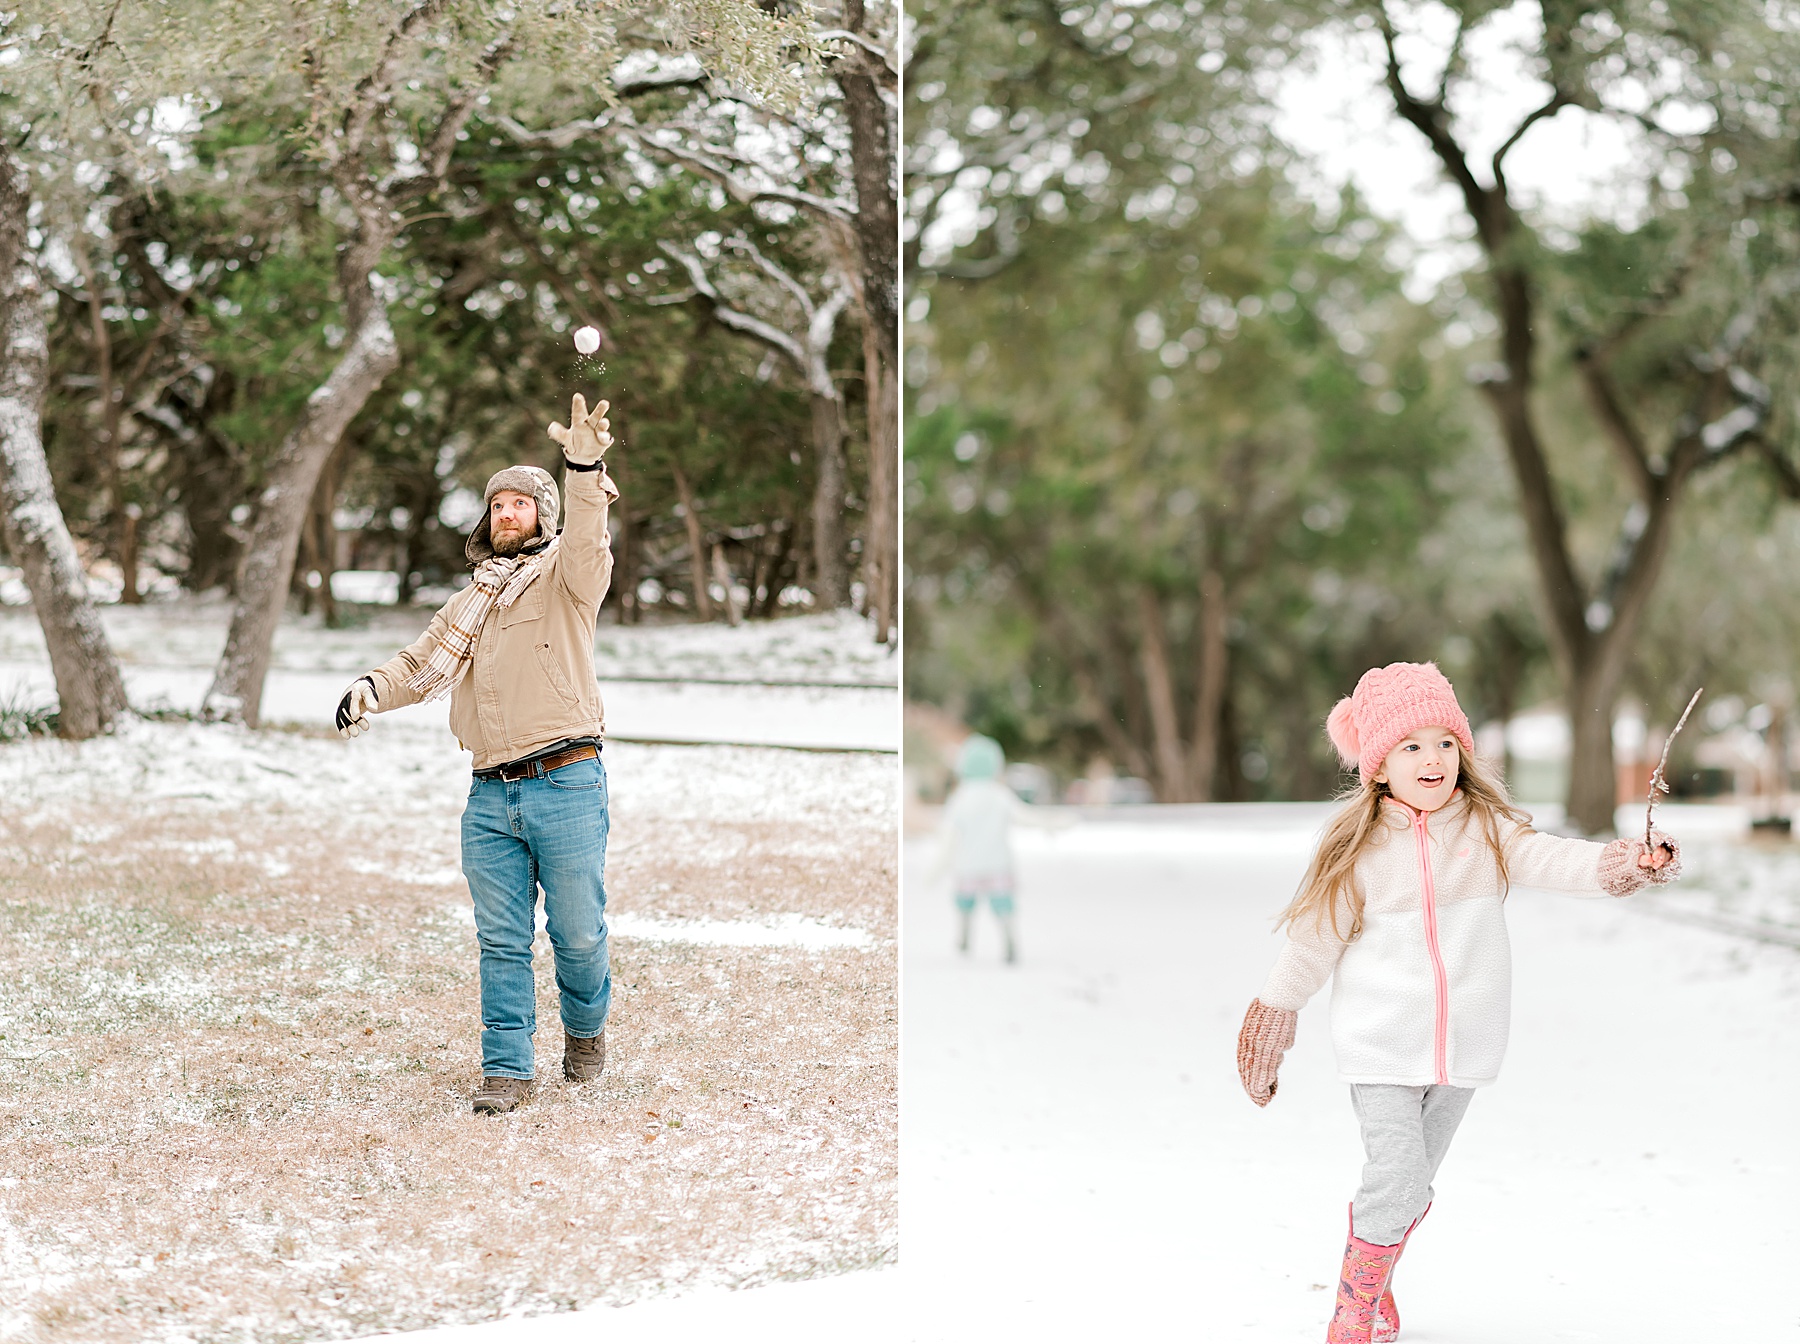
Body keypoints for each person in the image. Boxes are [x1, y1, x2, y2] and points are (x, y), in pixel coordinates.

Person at [1234, 662, 1679, 1344]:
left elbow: (1558, 860)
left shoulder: (1487, 832)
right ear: (1379, 765)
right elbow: (1312, 943)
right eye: (1411, 745)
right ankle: (1353, 1312)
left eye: (1445, 741)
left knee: (1411, 1188)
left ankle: (1374, 1288)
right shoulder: (1358, 854)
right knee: (1399, 1175)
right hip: (1379, 1045)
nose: (1432, 757)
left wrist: (1629, 862)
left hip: (1463, 1048)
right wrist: (1273, 1017)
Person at [335, 393, 619, 1116]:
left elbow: (589, 538)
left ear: (544, 517)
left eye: (523, 504)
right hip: (490, 794)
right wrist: (371, 686)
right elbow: (422, 661)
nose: (508, 514)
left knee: (579, 935)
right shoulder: (470, 601)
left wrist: (583, 468)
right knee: (501, 941)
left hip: (567, 780)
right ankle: (507, 1070)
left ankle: (585, 1033)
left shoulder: (568, 579)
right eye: (499, 505)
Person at [938, 735, 1032, 962]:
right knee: (1003, 905)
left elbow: (949, 832)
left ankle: (964, 936)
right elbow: (1023, 816)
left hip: (968, 864)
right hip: (997, 864)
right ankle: (1009, 938)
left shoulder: (961, 797)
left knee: (965, 904)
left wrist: (940, 864)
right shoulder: (1000, 795)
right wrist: (1051, 823)